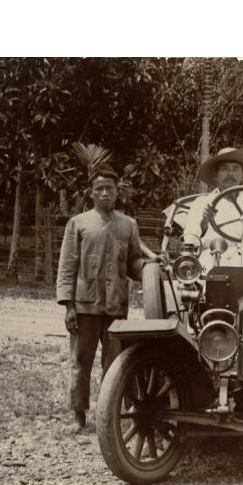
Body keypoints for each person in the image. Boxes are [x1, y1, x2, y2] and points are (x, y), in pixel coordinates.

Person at [56, 168, 145, 432]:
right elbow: (67, 266)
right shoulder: (79, 223)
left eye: (110, 188)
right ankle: (79, 416)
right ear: (91, 193)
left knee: (115, 364)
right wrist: (68, 306)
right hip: (85, 307)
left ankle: (111, 416)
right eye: (99, 189)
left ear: (118, 192)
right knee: (80, 362)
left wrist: (151, 267)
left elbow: (133, 263)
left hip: (116, 308)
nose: (105, 193)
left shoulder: (128, 225)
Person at [184, 147, 243, 269]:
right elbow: (190, 240)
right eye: (224, 169)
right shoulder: (202, 202)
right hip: (210, 258)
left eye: (235, 169)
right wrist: (205, 221)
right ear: (216, 175)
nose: (230, 174)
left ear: (242, 174)